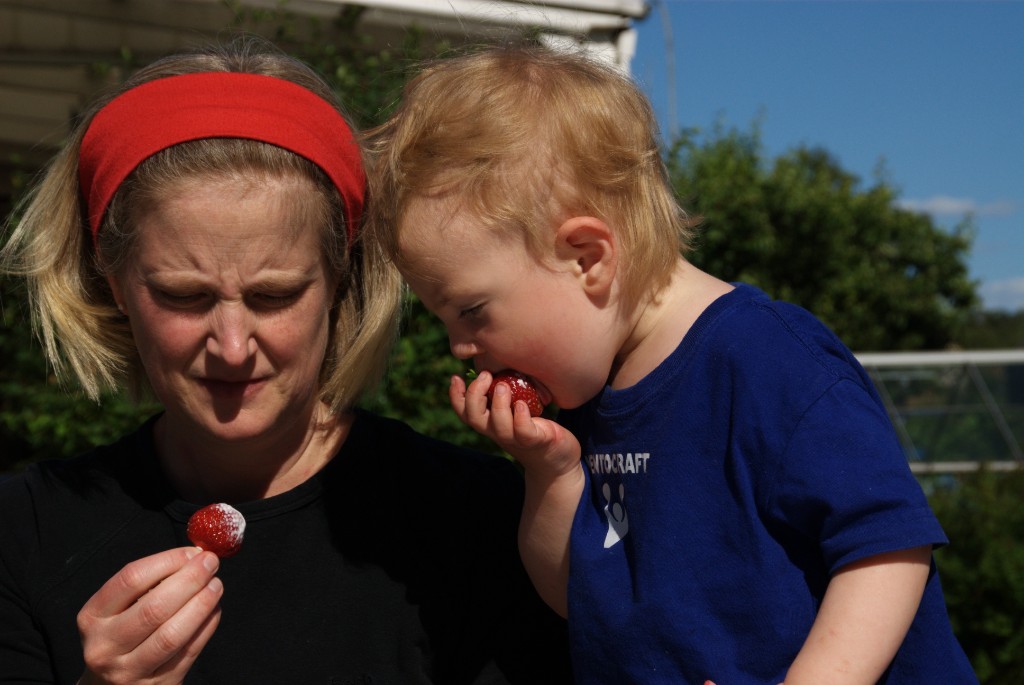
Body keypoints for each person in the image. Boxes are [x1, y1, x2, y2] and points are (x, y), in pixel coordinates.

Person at [364, 44, 978, 684]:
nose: (460, 347)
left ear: (586, 257)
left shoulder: (768, 362)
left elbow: (887, 546)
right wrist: (549, 473)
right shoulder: (586, 398)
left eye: (471, 310)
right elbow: (577, 601)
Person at [0, 37, 572, 684]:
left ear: (339, 279)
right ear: (113, 281)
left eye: (275, 295)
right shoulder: (23, 532)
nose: (234, 345)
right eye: (184, 296)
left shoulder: (490, 523)